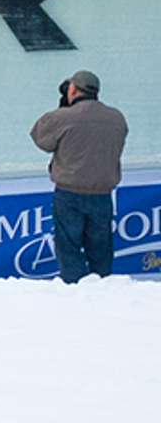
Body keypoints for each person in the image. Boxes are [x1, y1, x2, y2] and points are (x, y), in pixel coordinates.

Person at [30, 70, 129, 283]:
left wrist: (63, 109)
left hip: (69, 194)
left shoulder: (63, 117)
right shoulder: (116, 117)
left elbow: (40, 138)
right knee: (101, 249)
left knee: (69, 249)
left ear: (73, 89)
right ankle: (103, 289)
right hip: (103, 194)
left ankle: (76, 292)